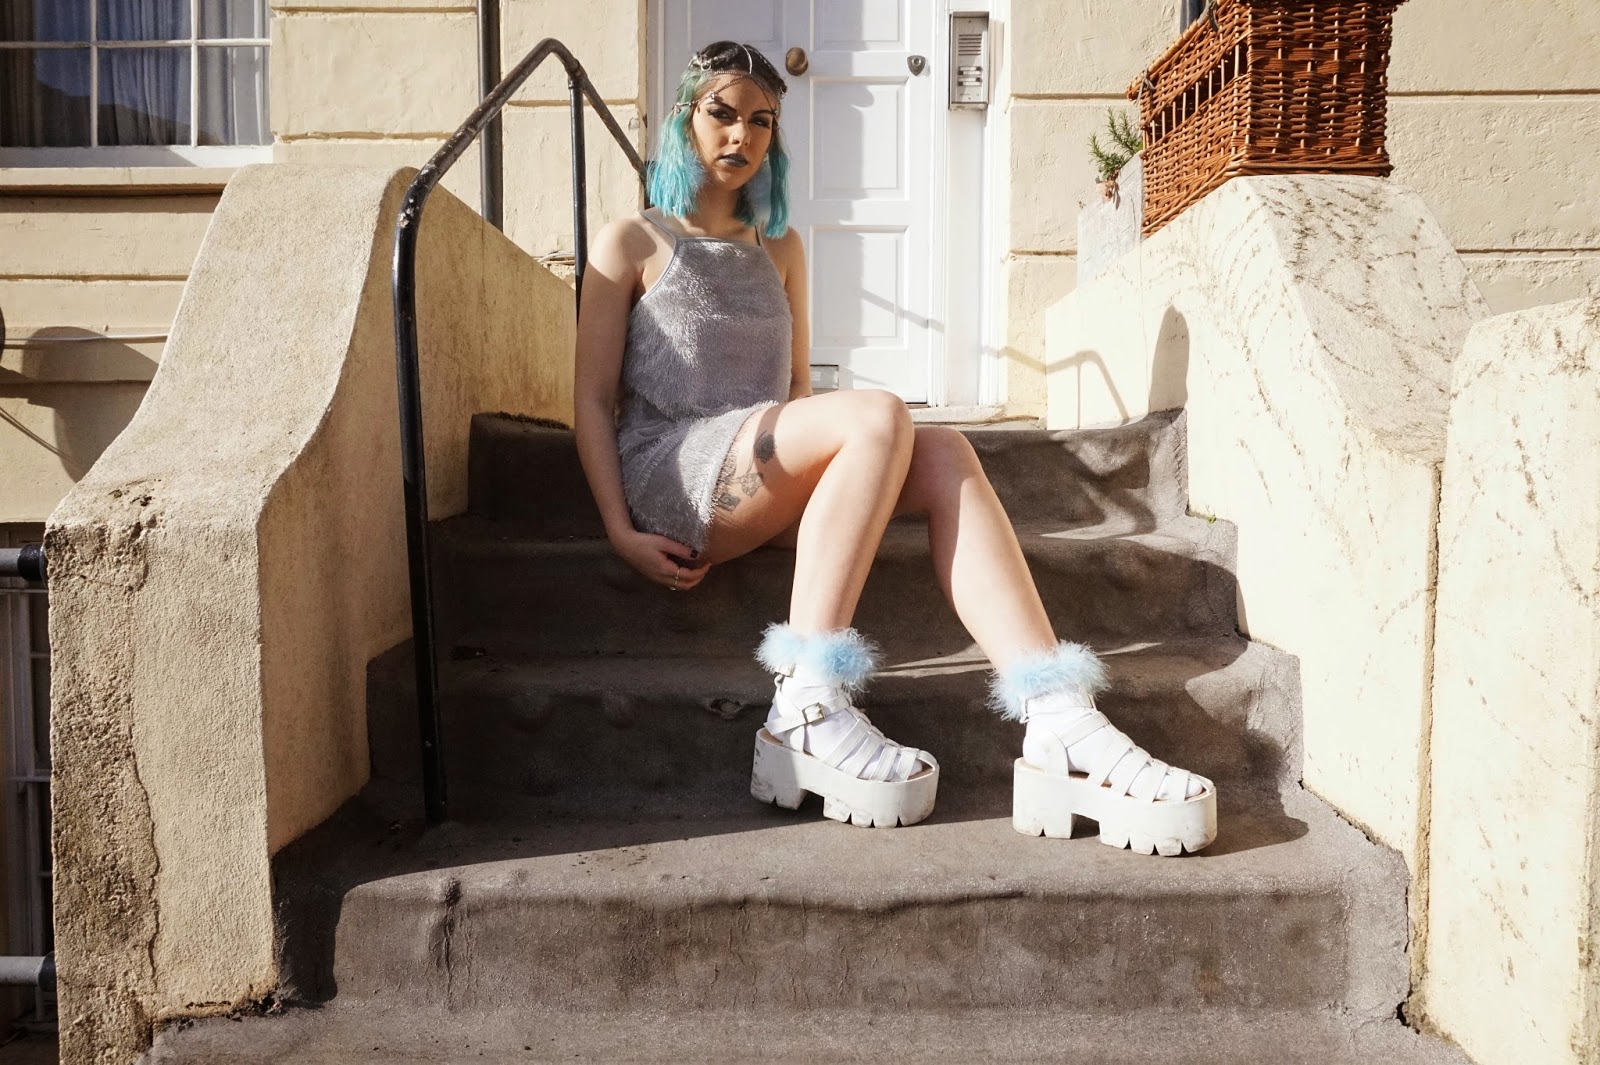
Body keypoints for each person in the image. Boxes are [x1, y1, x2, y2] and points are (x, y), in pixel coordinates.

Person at [573, 41, 1215, 855]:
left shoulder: (780, 246)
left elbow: (795, 390)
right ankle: (805, 705)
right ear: (683, 118)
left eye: (761, 121)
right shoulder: (630, 240)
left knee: (945, 454)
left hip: (762, 461)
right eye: (722, 114)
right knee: (878, 414)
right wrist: (619, 531)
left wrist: (836, 481)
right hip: (674, 470)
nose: (741, 136)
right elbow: (590, 399)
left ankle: (1060, 719)